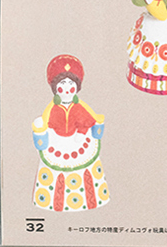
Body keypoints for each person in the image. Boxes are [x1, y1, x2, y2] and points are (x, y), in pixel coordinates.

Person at [30, 55, 109, 211]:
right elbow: (45, 124)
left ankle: (88, 200)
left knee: (84, 170)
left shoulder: (80, 107)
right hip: (56, 142)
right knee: (54, 171)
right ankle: (52, 201)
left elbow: (88, 120)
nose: (66, 89)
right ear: (55, 88)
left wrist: (82, 132)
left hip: (79, 142)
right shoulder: (52, 109)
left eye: (71, 84)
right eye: (62, 84)